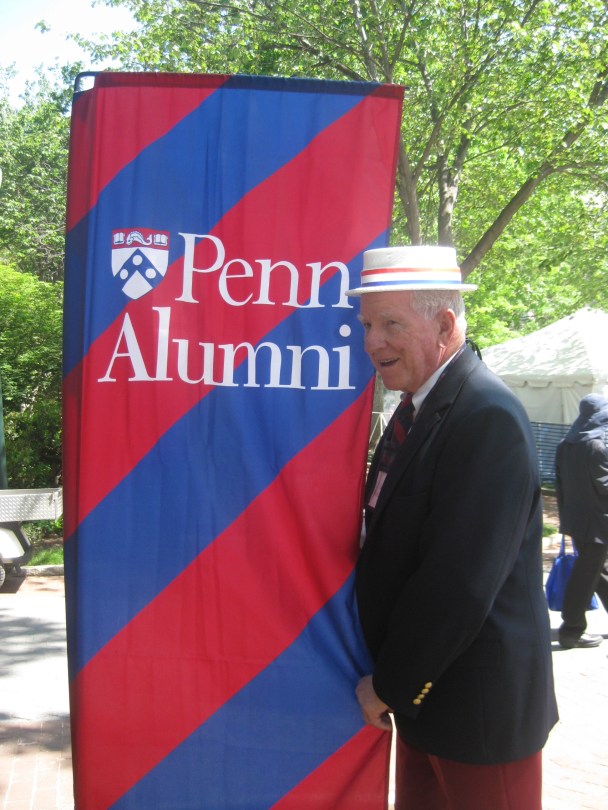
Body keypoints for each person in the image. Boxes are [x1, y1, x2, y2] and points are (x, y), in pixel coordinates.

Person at [347, 245, 558, 810]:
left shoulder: (486, 416)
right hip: (430, 702)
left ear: (444, 324)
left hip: (476, 713)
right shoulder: (419, 408)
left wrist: (390, 684)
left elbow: (458, 583)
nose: (372, 342)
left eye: (391, 324)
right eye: (367, 324)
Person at [555, 394, 608, 649]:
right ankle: (571, 629)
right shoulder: (595, 446)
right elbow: (604, 486)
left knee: (596, 571)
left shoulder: (566, 444)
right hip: (597, 523)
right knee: (586, 575)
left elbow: (560, 486)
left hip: (577, 520)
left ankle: (572, 626)